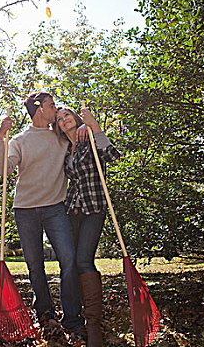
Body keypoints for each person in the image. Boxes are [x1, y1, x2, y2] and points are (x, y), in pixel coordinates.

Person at [0, 92, 86, 336]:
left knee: (68, 259)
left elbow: (78, 136)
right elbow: (4, 170)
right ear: (38, 109)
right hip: (25, 210)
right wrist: (1, 137)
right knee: (35, 265)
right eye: (51, 105)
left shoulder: (60, 137)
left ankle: (72, 316)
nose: (55, 109)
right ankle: (45, 312)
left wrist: (86, 125)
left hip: (56, 207)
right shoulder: (20, 141)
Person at [54, 106, 120, 346]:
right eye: (59, 119)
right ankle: (76, 316)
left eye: (67, 116)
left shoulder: (90, 138)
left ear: (76, 117)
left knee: (84, 260)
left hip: (94, 208)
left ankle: (93, 322)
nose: (63, 120)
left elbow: (113, 156)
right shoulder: (64, 149)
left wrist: (94, 126)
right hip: (72, 210)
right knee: (71, 261)